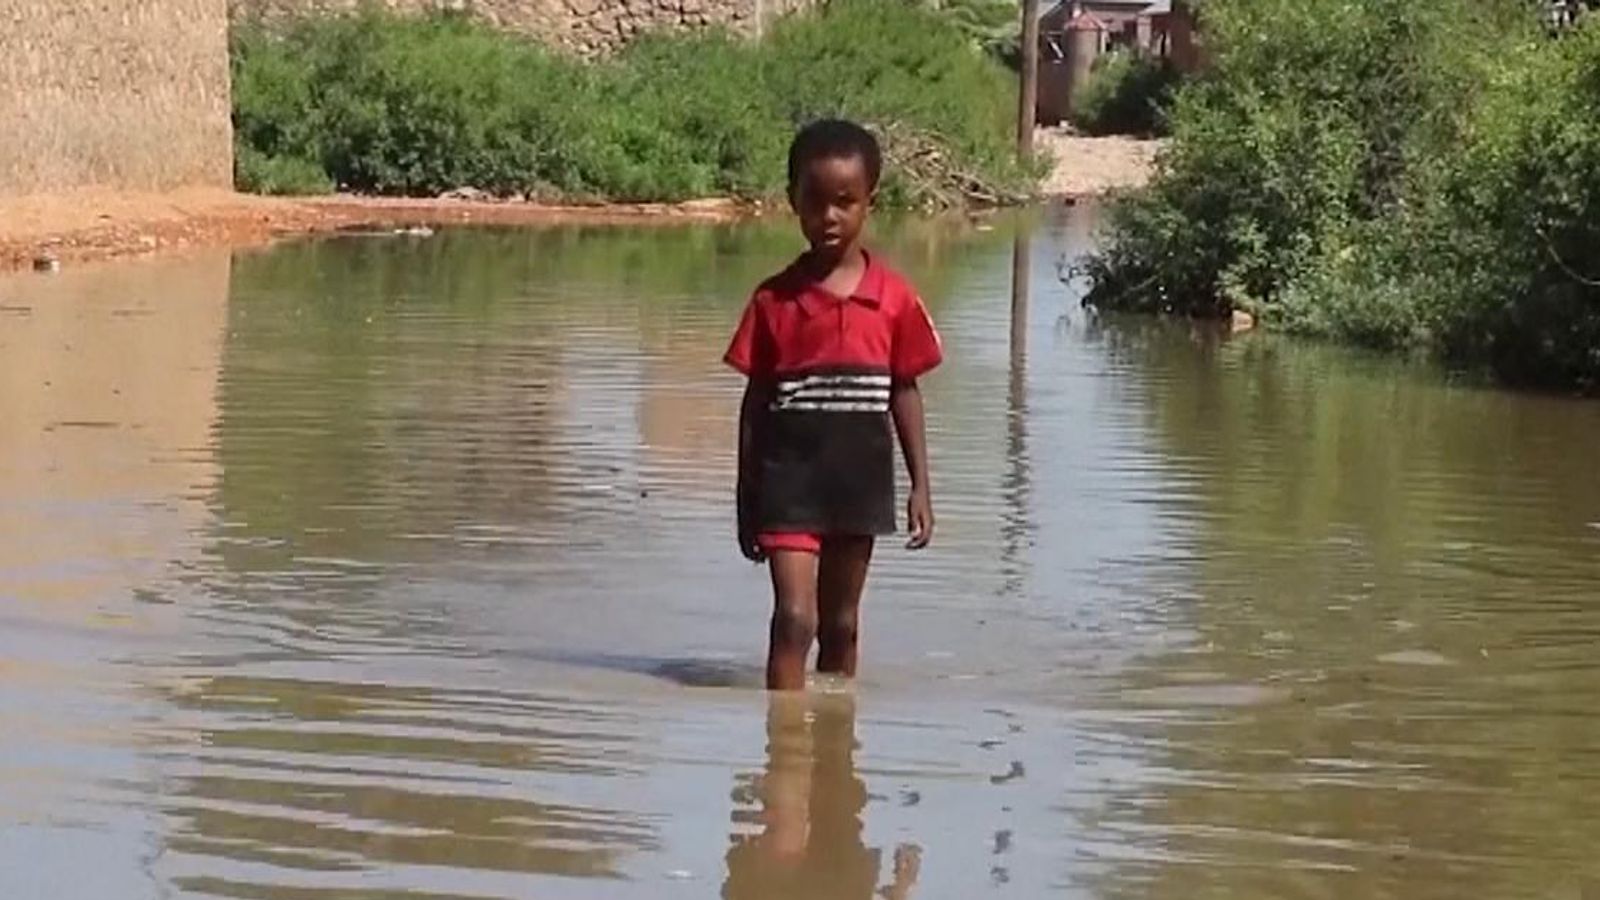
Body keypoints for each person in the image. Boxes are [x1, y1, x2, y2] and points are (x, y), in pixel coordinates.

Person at [724, 119, 943, 692]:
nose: (829, 218)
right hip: (788, 483)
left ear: (871, 201)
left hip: (858, 481)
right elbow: (755, 404)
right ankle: (786, 745)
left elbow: (904, 391)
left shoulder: (894, 300)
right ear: (792, 199)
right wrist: (747, 492)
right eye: (814, 202)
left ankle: (835, 748)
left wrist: (921, 484)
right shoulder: (774, 301)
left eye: (845, 203)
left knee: (840, 625)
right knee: (795, 619)